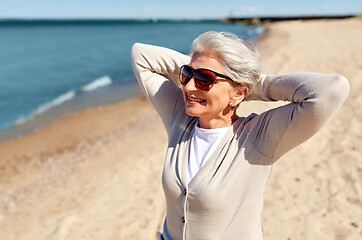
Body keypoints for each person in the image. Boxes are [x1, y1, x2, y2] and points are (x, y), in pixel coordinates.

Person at [131, 31, 349, 240]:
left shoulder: (259, 137)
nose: (188, 86)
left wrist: (253, 84)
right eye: (187, 75)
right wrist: (199, 68)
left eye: (204, 79)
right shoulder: (180, 118)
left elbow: (332, 90)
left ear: (238, 93)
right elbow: (141, 54)